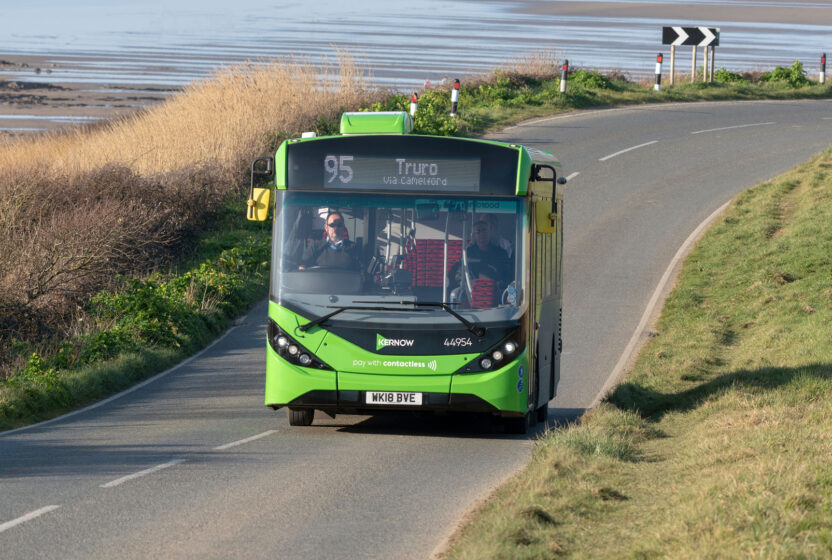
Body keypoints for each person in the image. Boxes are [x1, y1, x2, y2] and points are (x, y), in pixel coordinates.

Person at [450, 218, 512, 290]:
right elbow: (459, 276)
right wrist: (468, 284)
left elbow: (508, 277)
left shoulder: (501, 253)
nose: (482, 234)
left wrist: (499, 284)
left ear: (490, 232)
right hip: (472, 293)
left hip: (496, 293)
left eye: (484, 230)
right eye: (478, 231)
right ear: (474, 235)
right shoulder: (468, 253)